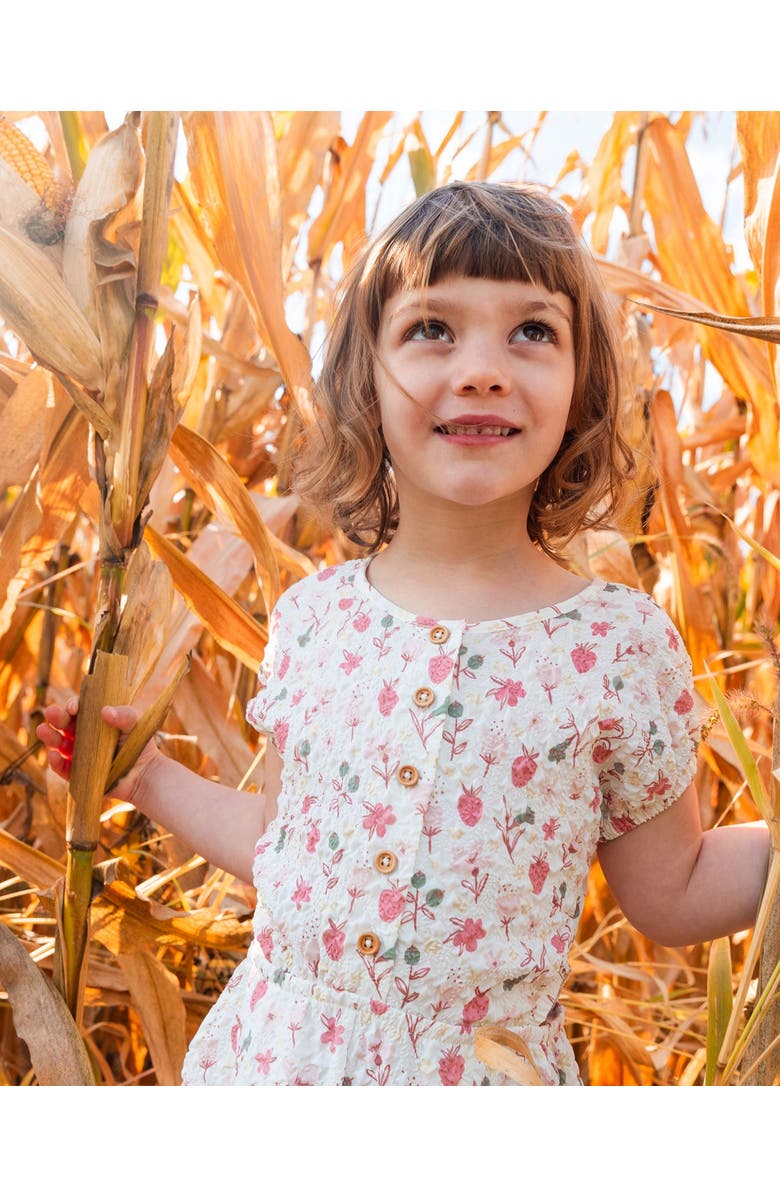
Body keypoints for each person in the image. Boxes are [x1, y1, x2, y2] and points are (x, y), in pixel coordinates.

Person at [39, 181, 770, 1085]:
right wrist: (145, 777)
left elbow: (678, 887)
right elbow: (285, 847)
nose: (482, 368)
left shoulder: (617, 648)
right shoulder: (317, 618)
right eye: (433, 328)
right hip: (279, 1066)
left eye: (532, 332)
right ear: (366, 379)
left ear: (583, 385)